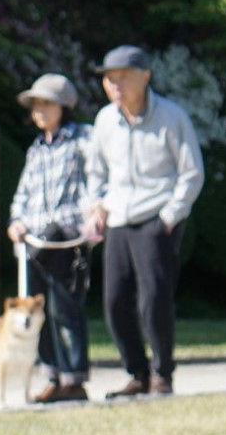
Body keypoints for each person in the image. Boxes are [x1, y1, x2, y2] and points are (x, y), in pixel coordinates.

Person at [83, 45, 205, 399]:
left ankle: (162, 373)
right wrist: (98, 205)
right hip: (119, 217)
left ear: (145, 75)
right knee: (115, 301)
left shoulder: (171, 116)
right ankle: (136, 372)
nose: (114, 84)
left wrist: (169, 216)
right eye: (109, 78)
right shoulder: (105, 119)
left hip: (157, 218)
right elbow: (96, 170)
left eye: (123, 76)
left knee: (154, 299)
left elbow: (192, 172)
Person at [6, 72, 93, 403]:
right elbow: (22, 193)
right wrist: (16, 221)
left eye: (45, 103)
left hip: (68, 240)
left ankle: (75, 379)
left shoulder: (83, 139)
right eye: (35, 104)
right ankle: (53, 377)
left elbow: (97, 180)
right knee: (40, 312)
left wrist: (90, 217)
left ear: (63, 106)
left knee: (65, 309)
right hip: (35, 243)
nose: (38, 110)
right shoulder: (36, 149)